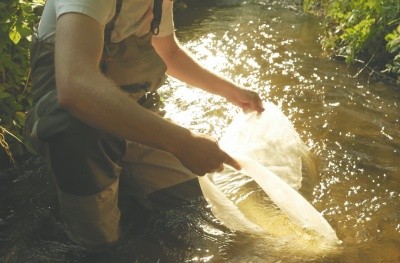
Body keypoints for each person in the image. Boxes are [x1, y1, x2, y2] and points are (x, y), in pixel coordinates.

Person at [25, 0, 264, 248]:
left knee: (193, 206)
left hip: (131, 111)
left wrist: (231, 91)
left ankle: (120, 178)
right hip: (70, 118)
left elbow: (169, 53)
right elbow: (75, 86)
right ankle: (92, 243)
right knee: (81, 130)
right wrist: (182, 143)